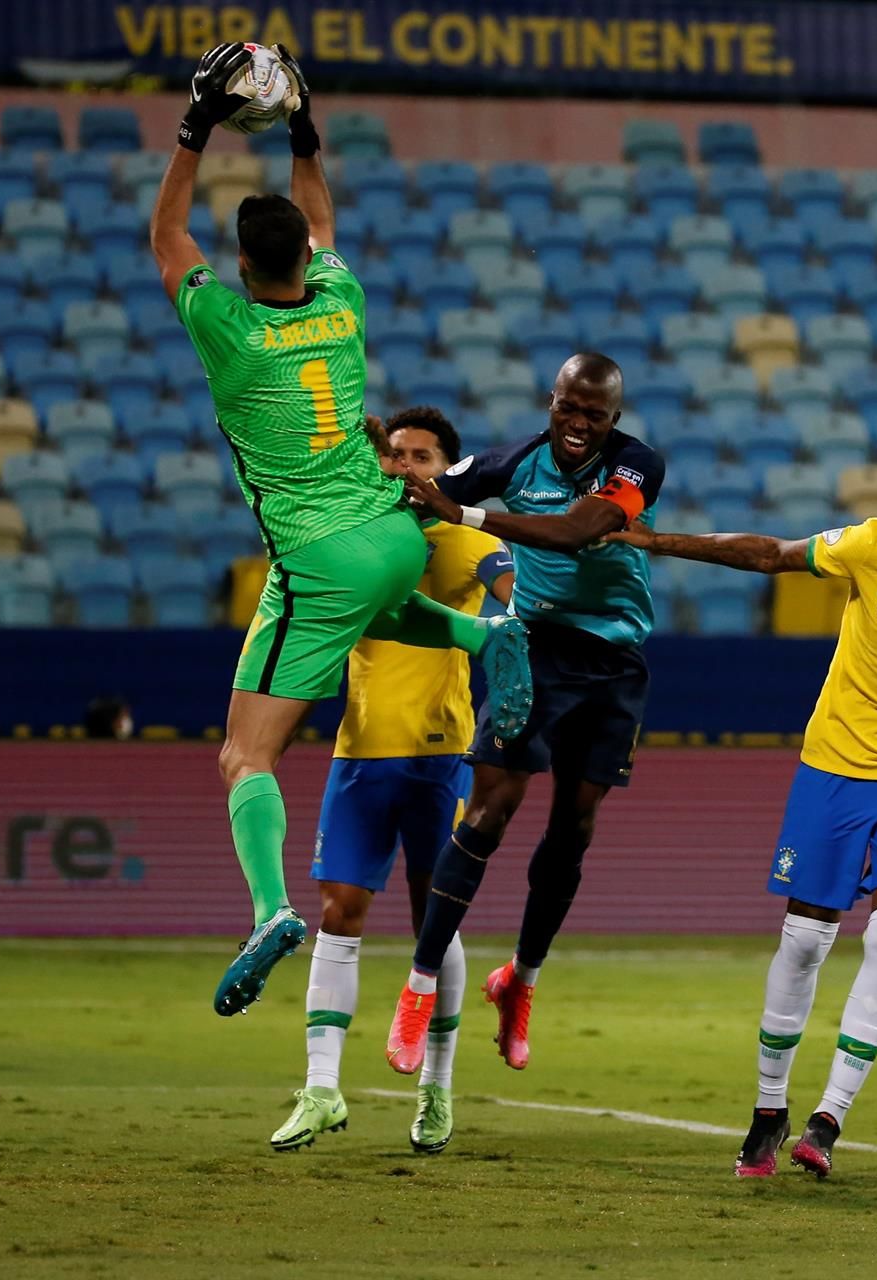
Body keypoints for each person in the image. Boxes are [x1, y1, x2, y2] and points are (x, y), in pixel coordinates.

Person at [151, 43, 532, 1018]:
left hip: (314, 551)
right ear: (304, 262)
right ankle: (490, 636)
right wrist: (304, 124)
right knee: (380, 606)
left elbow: (165, 238)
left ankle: (272, 908)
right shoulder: (343, 302)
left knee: (245, 754)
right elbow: (320, 215)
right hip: (388, 532)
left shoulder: (228, 332)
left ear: (242, 265)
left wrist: (196, 126)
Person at [614, 461, 877, 1179]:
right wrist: (655, 541)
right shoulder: (875, 543)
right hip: (835, 765)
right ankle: (769, 1110)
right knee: (808, 940)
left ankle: (828, 1119)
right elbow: (771, 555)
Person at [382, 353, 665, 1078]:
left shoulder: (636, 468)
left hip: (615, 664)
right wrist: (382, 472)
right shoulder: (512, 462)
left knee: (574, 826)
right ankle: (416, 993)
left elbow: (579, 531)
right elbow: (423, 494)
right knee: (489, 814)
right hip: (535, 651)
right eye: (569, 407)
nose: (578, 424)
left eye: (593, 415)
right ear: (552, 401)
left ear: (614, 421)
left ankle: (520, 982)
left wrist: (465, 513)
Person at [269, 407, 515, 1155]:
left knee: (431, 923)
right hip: (359, 750)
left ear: (448, 468)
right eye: (397, 454)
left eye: (422, 456)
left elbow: (517, 598)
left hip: (439, 756)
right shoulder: (360, 540)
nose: (405, 466)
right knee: (338, 911)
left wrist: (512, 632)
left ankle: (436, 1088)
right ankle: (320, 1089)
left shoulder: (469, 538)